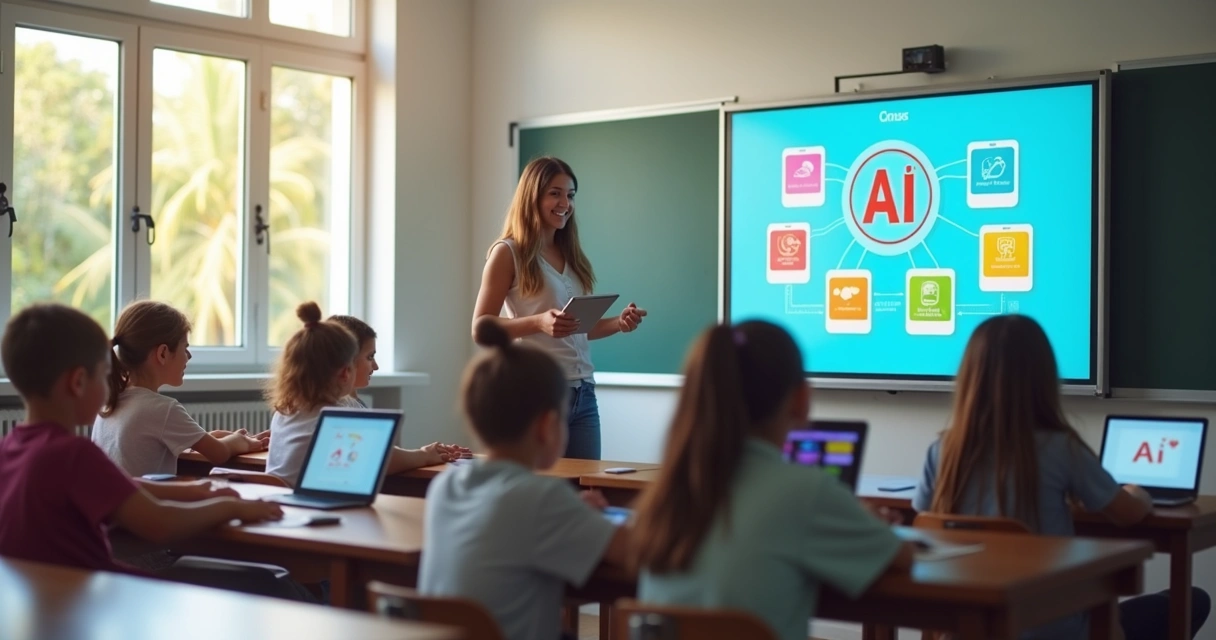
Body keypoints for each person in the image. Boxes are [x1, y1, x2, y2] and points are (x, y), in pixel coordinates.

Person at [914, 314, 1211, 640]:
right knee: (1193, 600)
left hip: (969, 629)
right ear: (1043, 378)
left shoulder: (942, 451)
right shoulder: (1061, 448)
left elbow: (923, 520)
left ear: (970, 377)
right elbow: (1127, 514)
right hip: (1054, 630)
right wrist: (1136, 491)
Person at [0, 303, 312, 602]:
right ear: (79, 382)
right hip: (101, 598)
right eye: (104, 373)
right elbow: (161, 523)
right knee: (268, 581)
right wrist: (231, 508)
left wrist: (193, 490)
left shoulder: (13, 448)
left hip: (44, 597)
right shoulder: (71, 454)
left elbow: (117, 486)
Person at [632, 321, 913, 640]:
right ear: (801, 399)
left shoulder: (669, 495)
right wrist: (862, 521)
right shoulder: (805, 492)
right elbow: (901, 557)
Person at [419, 318, 629, 640]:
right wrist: (584, 517)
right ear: (547, 426)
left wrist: (574, 516)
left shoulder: (445, 487)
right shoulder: (541, 498)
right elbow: (632, 550)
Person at [472, 156, 646, 460]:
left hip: (584, 393)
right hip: (538, 393)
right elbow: (480, 327)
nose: (565, 203)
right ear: (532, 196)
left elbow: (577, 328)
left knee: (585, 482)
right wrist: (538, 322)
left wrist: (619, 322)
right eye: (555, 193)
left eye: (570, 195)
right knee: (540, 484)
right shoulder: (507, 252)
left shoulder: (570, 254)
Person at [265, 302, 458, 487]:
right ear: (345, 372)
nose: (375, 366)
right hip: (307, 505)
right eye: (368, 357)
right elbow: (381, 458)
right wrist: (424, 455)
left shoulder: (284, 411)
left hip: (275, 501)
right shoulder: (336, 417)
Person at [93, 300, 267, 477]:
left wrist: (206, 437)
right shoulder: (162, 409)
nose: (189, 356)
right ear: (163, 353)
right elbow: (219, 453)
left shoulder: (109, 405)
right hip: (148, 496)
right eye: (185, 348)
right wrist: (239, 441)